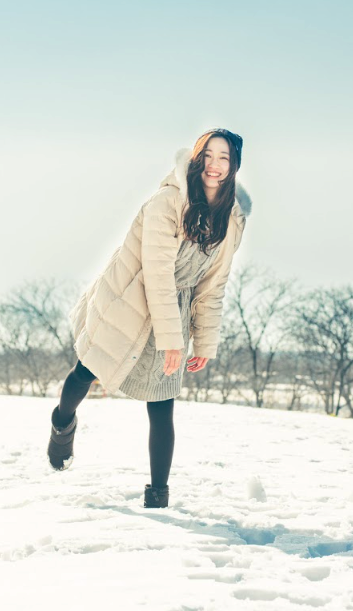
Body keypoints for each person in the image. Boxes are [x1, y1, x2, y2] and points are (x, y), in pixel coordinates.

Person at [47, 128, 251, 509]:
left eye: (224, 158)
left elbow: (212, 286)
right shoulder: (168, 201)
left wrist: (203, 342)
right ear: (197, 159)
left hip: (175, 308)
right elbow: (157, 274)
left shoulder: (231, 221)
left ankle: (158, 497)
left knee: (162, 401)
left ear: (234, 166)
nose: (214, 165)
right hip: (131, 296)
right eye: (208, 155)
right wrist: (173, 341)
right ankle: (62, 425)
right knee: (88, 369)